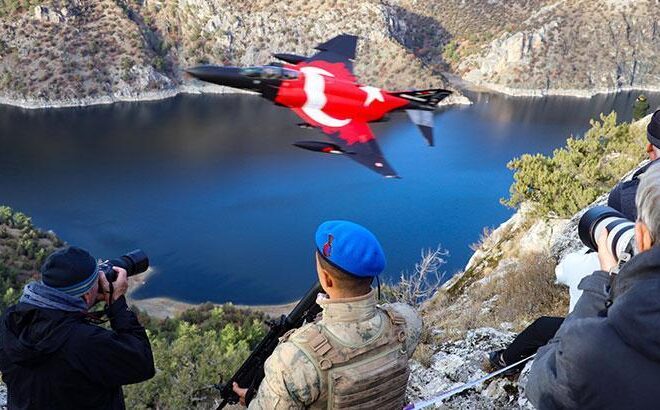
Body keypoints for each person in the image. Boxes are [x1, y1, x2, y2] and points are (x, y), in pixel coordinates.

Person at [486, 109, 660, 374]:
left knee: (545, 327)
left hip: (626, 315)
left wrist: (606, 271)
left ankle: (504, 362)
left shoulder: (630, 196)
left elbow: (545, 388)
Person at [232, 220, 422, 409]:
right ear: (372, 275)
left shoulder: (293, 359)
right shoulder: (406, 321)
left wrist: (250, 401)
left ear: (326, 278)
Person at [526, 162, 660, 409]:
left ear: (641, 235)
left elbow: (539, 386)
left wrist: (604, 278)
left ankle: (501, 359)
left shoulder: (588, 349)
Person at [0, 246, 155, 409]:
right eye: (97, 281)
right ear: (87, 295)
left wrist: (81, 304)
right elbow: (142, 363)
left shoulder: (11, 321)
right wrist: (116, 302)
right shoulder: (85, 341)